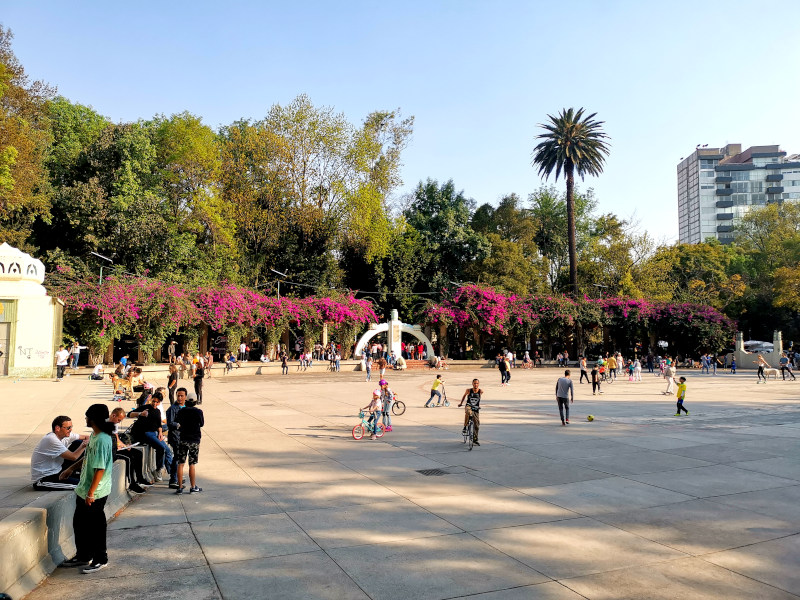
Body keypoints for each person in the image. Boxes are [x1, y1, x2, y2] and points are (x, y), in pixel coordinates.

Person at [59, 403, 115, 573]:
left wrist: (91, 493)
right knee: (80, 523)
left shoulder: (103, 439)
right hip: (84, 489)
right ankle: (84, 555)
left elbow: (100, 469)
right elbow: (88, 458)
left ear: (94, 419)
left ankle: (100, 558)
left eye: (87, 416)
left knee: (95, 527)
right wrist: (70, 468)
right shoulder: (95, 435)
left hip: (96, 492)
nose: (85, 418)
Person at [31, 416, 89, 490]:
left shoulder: (66, 435)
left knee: (78, 442)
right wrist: (84, 445)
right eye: (68, 428)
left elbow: (87, 437)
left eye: (71, 427)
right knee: (84, 486)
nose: (70, 430)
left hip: (58, 470)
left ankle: (79, 471)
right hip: (46, 478)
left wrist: (86, 442)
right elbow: (74, 457)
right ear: (57, 428)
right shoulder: (51, 439)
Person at [130, 392, 173, 482]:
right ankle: (158, 470)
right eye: (154, 401)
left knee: (168, 450)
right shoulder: (145, 408)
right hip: (147, 433)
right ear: (151, 399)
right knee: (161, 448)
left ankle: (173, 474)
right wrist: (140, 413)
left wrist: (160, 433)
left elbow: (159, 424)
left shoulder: (157, 411)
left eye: (157, 402)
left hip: (155, 433)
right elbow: (129, 414)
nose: (155, 404)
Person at [108, 407, 148, 494]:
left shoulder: (114, 424)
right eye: (118, 420)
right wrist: (118, 446)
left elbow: (117, 439)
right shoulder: (105, 424)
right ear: (113, 415)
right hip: (110, 450)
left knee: (138, 453)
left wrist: (124, 445)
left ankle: (140, 478)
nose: (119, 422)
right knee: (129, 459)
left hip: (116, 447)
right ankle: (132, 483)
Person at [174, 391, 204, 494]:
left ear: (186, 401)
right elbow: (202, 424)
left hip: (183, 439)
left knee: (181, 463)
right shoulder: (198, 412)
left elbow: (177, 422)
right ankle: (193, 486)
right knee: (192, 464)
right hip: (194, 440)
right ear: (195, 402)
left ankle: (180, 487)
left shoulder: (181, 411)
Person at [166, 387, 187, 488]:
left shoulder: (186, 407)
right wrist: (179, 425)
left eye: (181, 396)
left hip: (184, 436)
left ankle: (179, 477)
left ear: (185, 397)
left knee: (181, 458)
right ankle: (173, 479)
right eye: (178, 396)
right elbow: (170, 423)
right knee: (177, 458)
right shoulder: (173, 408)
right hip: (175, 436)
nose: (179, 398)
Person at [458, 379, 482, 446]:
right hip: (469, 406)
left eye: (477, 383)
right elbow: (464, 396)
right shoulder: (468, 390)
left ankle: (475, 439)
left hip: (476, 408)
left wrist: (478, 406)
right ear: (472, 384)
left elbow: (479, 399)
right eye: (474, 383)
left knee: (477, 424)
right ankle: (465, 426)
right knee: (468, 412)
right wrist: (461, 403)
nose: (475, 385)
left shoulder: (480, 391)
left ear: (479, 384)